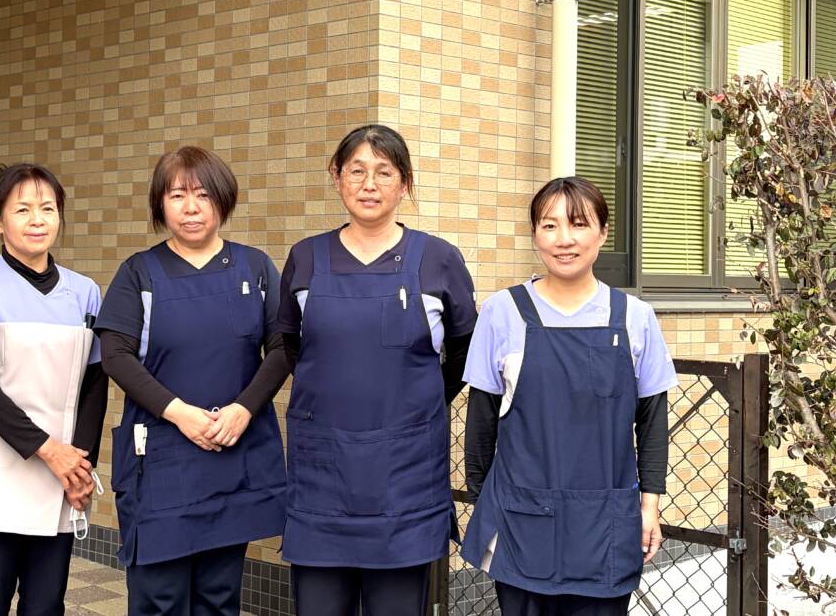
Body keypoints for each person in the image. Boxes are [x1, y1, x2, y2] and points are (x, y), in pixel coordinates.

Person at [274, 124, 478, 616]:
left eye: (384, 172)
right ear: (337, 177)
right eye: (357, 171)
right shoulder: (306, 257)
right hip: (323, 474)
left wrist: (415, 403)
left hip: (404, 477)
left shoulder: (438, 259)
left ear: (404, 183)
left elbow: (464, 351)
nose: (369, 184)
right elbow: (291, 345)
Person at [461, 176, 678, 616]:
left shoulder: (635, 317)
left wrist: (650, 506)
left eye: (579, 224)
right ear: (535, 235)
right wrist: (487, 502)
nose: (564, 239)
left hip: (606, 526)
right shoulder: (502, 312)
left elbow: (653, 422)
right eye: (550, 225)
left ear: (603, 232)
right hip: (522, 522)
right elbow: (480, 424)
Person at [93, 146, 286, 616]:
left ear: (223, 200)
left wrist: (243, 409)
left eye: (202, 194)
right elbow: (115, 355)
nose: (191, 207)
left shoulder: (255, 268)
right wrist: (179, 413)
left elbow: (283, 347)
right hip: (162, 460)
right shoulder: (139, 273)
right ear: (160, 204)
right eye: (177, 195)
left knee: (219, 597)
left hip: (232, 453)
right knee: (160, 598)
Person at [0, 163, 109, 616]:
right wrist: (50, 451)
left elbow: (95, 383)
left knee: (46, 603)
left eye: (48, 208)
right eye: (22, 210)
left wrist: (80, 465)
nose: (37, 220)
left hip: (61, 476)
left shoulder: (85, 292)